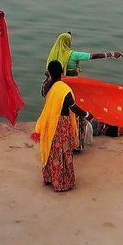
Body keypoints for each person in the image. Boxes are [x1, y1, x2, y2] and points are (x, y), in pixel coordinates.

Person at [35, 61, 78, 192]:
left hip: (50, 123)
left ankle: (49, 177)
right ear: (61, 72)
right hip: (61, 125)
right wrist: (88, 114)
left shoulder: (48, 86)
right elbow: (73, 107)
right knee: (63, 152)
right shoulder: (64, 90)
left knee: (52, 150)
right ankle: (62, 182)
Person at [44, 32, 122, 77]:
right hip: (70, 82)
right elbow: (93, 56)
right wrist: (111, 54)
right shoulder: (73, 55)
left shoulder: (52, 54)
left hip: (55, 83)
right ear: (67, 42)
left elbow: (47, 72)